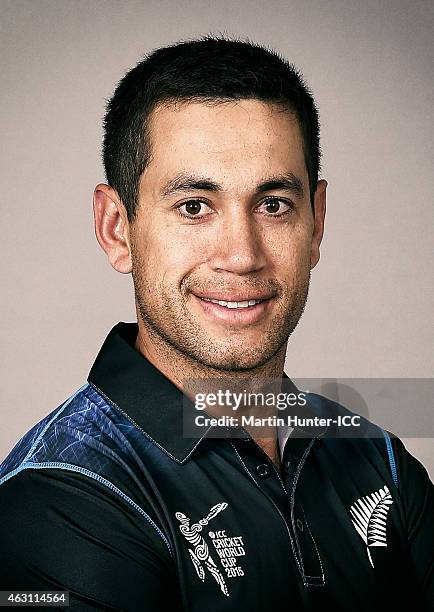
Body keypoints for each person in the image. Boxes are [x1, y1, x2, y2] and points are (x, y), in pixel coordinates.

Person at [0, 37, 432, 611]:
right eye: (194, 206)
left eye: (273, 203)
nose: (241, 254)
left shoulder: (380, 461)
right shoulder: (60, 497)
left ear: (317, 223)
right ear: (116, 228)